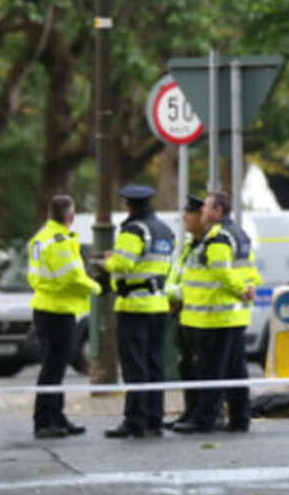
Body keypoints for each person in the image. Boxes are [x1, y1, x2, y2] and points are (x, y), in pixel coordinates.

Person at [172, 191, 259, 433]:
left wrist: (242, 289)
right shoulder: (240, 235)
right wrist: (248, 288)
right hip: (235, 315)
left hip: (214, 317)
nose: (201, 213)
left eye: (206, 208)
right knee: (235, 371)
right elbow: (251, 270)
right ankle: (240, 418)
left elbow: (221, 271)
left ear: (217, 211)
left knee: (211, 372)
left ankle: (204, 419)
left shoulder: (218, 237)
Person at [102, 185, 176, 439]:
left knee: (135, 366)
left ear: (129, 206)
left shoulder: (134, 229)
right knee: (155, 364)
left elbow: (122, 262)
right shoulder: (165, 230)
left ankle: (135, 420)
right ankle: (155, 419)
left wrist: (107, 260)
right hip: (158, 304)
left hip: (134, 305)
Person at [28, 194, 102, 439]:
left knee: (55, 367)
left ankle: (56, 416)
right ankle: (44, 420)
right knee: (53, 368)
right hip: (57, 311)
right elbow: (71, 277)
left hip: (48, 308)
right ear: (70, 217)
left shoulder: (41, 238)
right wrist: (97, 287)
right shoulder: (58, 241)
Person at [164, 195, 207, 428]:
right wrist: (173, 295)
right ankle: (190, 412)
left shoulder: (207, 245)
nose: (184, 218)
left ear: (203, 216)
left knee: (200, 368)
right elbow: (173, 278)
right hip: (184, 316)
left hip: (200, 318)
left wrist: (176, 295)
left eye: (189, 213)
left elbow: (198, 283)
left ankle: (201, 415)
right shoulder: (188, 246)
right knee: (186, 366)